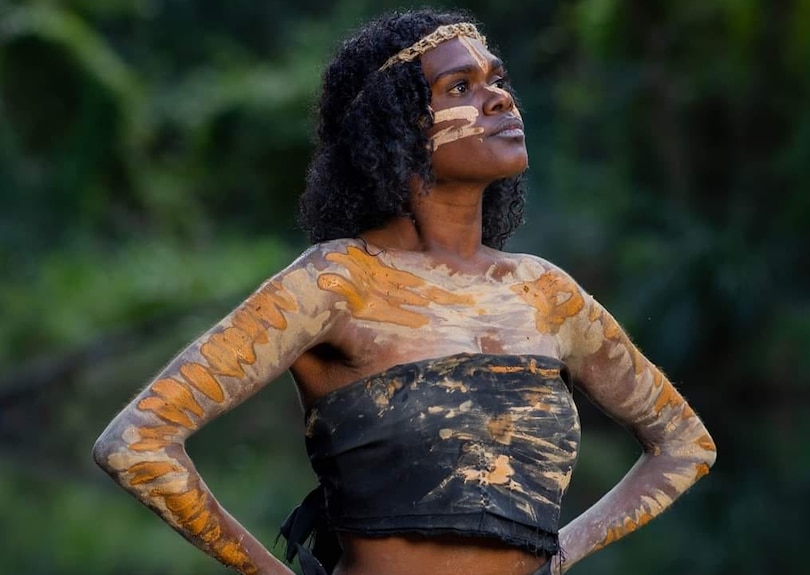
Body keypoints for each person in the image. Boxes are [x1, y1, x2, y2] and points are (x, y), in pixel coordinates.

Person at [93, 9, 716, 575]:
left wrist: (561, 556)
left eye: (497, 79)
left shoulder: (546, 293)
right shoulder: (337, 282)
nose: (499, 98)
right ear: (395, 125)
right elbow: (137, 444)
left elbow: (685, 446)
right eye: (460, 88)